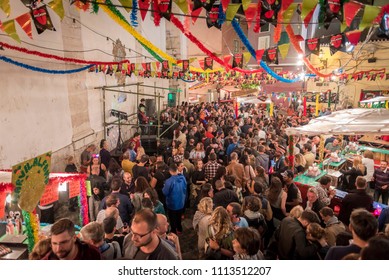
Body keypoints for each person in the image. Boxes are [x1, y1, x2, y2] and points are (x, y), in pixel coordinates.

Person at [162, 163, 187, 234]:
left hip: (172, 204)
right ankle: (179, 229)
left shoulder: (169, 181)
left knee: (172, 219)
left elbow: (165, 192)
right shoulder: (183, 178)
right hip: (181, 202)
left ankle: (173, 230)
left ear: (170, 171)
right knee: (179, 217)